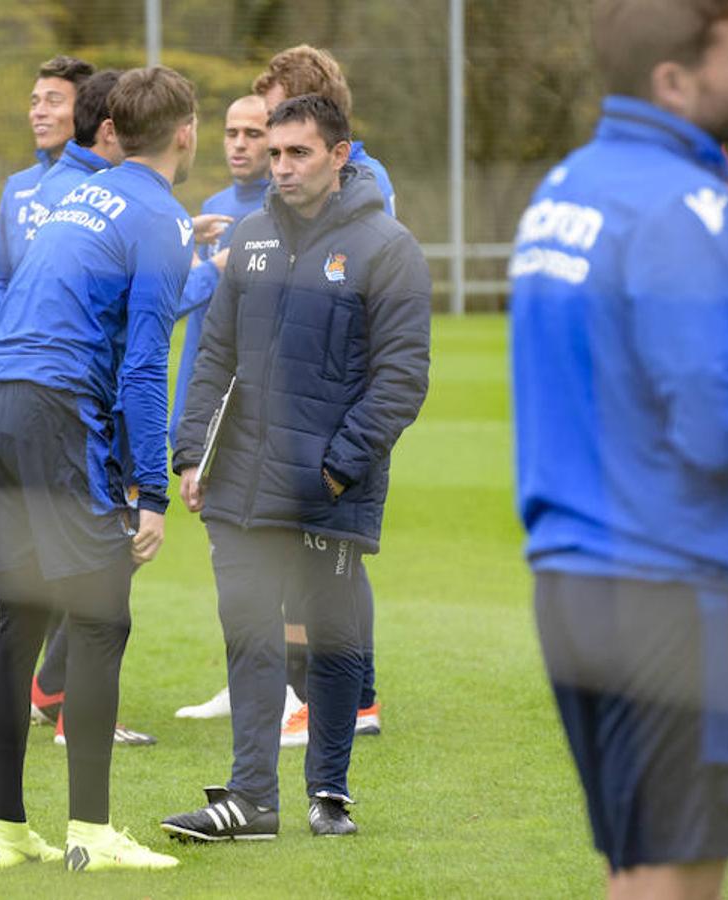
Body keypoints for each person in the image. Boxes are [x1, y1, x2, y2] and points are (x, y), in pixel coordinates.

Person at [511, 2, 728, 897]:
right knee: (678, 879)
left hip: (575, 585)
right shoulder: (688, 205)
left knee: (638, 866)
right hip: (673, 590)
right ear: (674, 81)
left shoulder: (564, 190)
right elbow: (727, 431)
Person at [161, 94, 430, 841]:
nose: (280, 167)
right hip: (241, 487)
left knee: (335, 642)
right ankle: (251, 799)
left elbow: (402, 377)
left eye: (297, 153)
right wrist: (192, 451)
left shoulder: (388, 249)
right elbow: (214, 353)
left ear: (340, 156)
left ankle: (330, 793)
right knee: (251, 639)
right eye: (274, 154)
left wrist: (338, 470)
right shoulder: (247, 239)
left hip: (326, 490)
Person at [0, 65, 199, 872]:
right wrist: (152, 490)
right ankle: (93, 833)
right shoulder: (160, 218)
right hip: (55, 413)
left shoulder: (70, 197)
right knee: (104, 617)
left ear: (107, 131)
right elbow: (143, 369)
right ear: (186, 134)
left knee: (21, 618)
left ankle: (7, 830)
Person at [251, 44, 397, 745]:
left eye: (277, 107)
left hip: (337, 404)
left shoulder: (362, 186)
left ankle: (347, 698)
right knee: (314, 556)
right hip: (301, 400)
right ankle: (325, 694)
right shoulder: (304, 182)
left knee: (333, 554)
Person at [18, 68, 159, 748]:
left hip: (36, 393)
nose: (40, 111)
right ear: (108, 129)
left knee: (90, 553)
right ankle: (76, 712)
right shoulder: (94, 196)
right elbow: (135, 330)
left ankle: (50, 686)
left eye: (53, 99)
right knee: (107, 551)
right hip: (86, 403)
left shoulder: (58, 191)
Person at [169, 94, 290, 722]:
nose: (239, 143)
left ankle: (290, 691)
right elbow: (186, 307)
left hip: (259, 413)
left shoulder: (285, 207)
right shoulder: (212, 211)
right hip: (206, 405)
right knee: (228, 561)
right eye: (231, 132)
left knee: (272, 552)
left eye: (253, 132)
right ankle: (244, 682)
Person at [0, 55, 95, 337]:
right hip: (15, 361)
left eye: (53, 101)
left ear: (84, 112)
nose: (38, 112)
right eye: (34, 102)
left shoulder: (103, 185)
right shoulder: (17, 187)